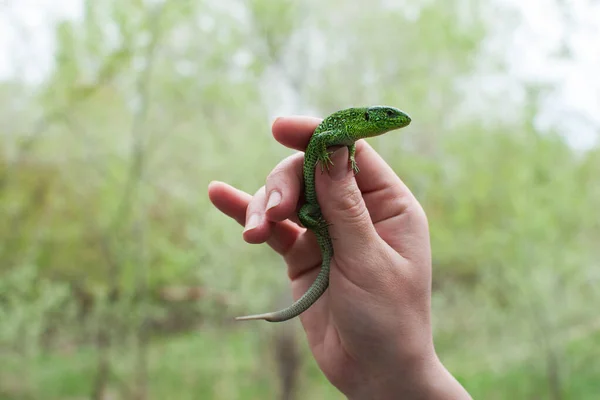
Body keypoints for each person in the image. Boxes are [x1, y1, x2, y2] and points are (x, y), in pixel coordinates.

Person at [208, 115, 472, 399]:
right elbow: (321, 140)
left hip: (315, 211)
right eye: (391, 116)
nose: (398, 120)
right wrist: (400, 377)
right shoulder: (348, 125)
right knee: (305, 211)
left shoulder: (353, 136)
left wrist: (403, 372)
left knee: (303, 208)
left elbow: (339, 144)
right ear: (372, 117)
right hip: (312, 211)